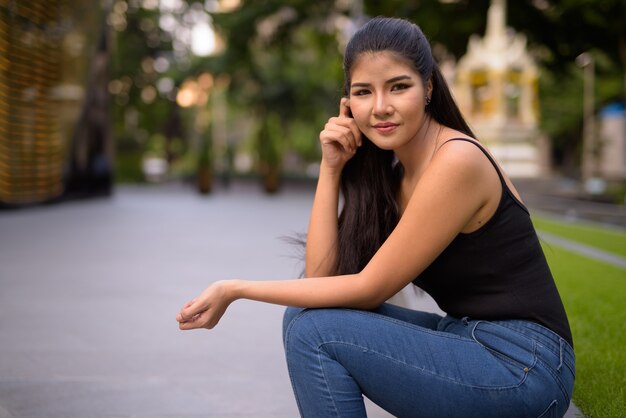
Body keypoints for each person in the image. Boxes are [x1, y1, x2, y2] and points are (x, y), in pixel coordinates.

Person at [176, 16, 575, 418]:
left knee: (314, 333)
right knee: (305, 316)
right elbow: (322, 278)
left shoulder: (457, 160)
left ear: (429, 88)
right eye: (363, 92)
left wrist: (236, 288)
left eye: (398, 86)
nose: (381, 108)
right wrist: (331, 168)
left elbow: (368, 288)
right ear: (348, 104)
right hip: (469, 339)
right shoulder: (395, 177)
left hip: (524, 367)